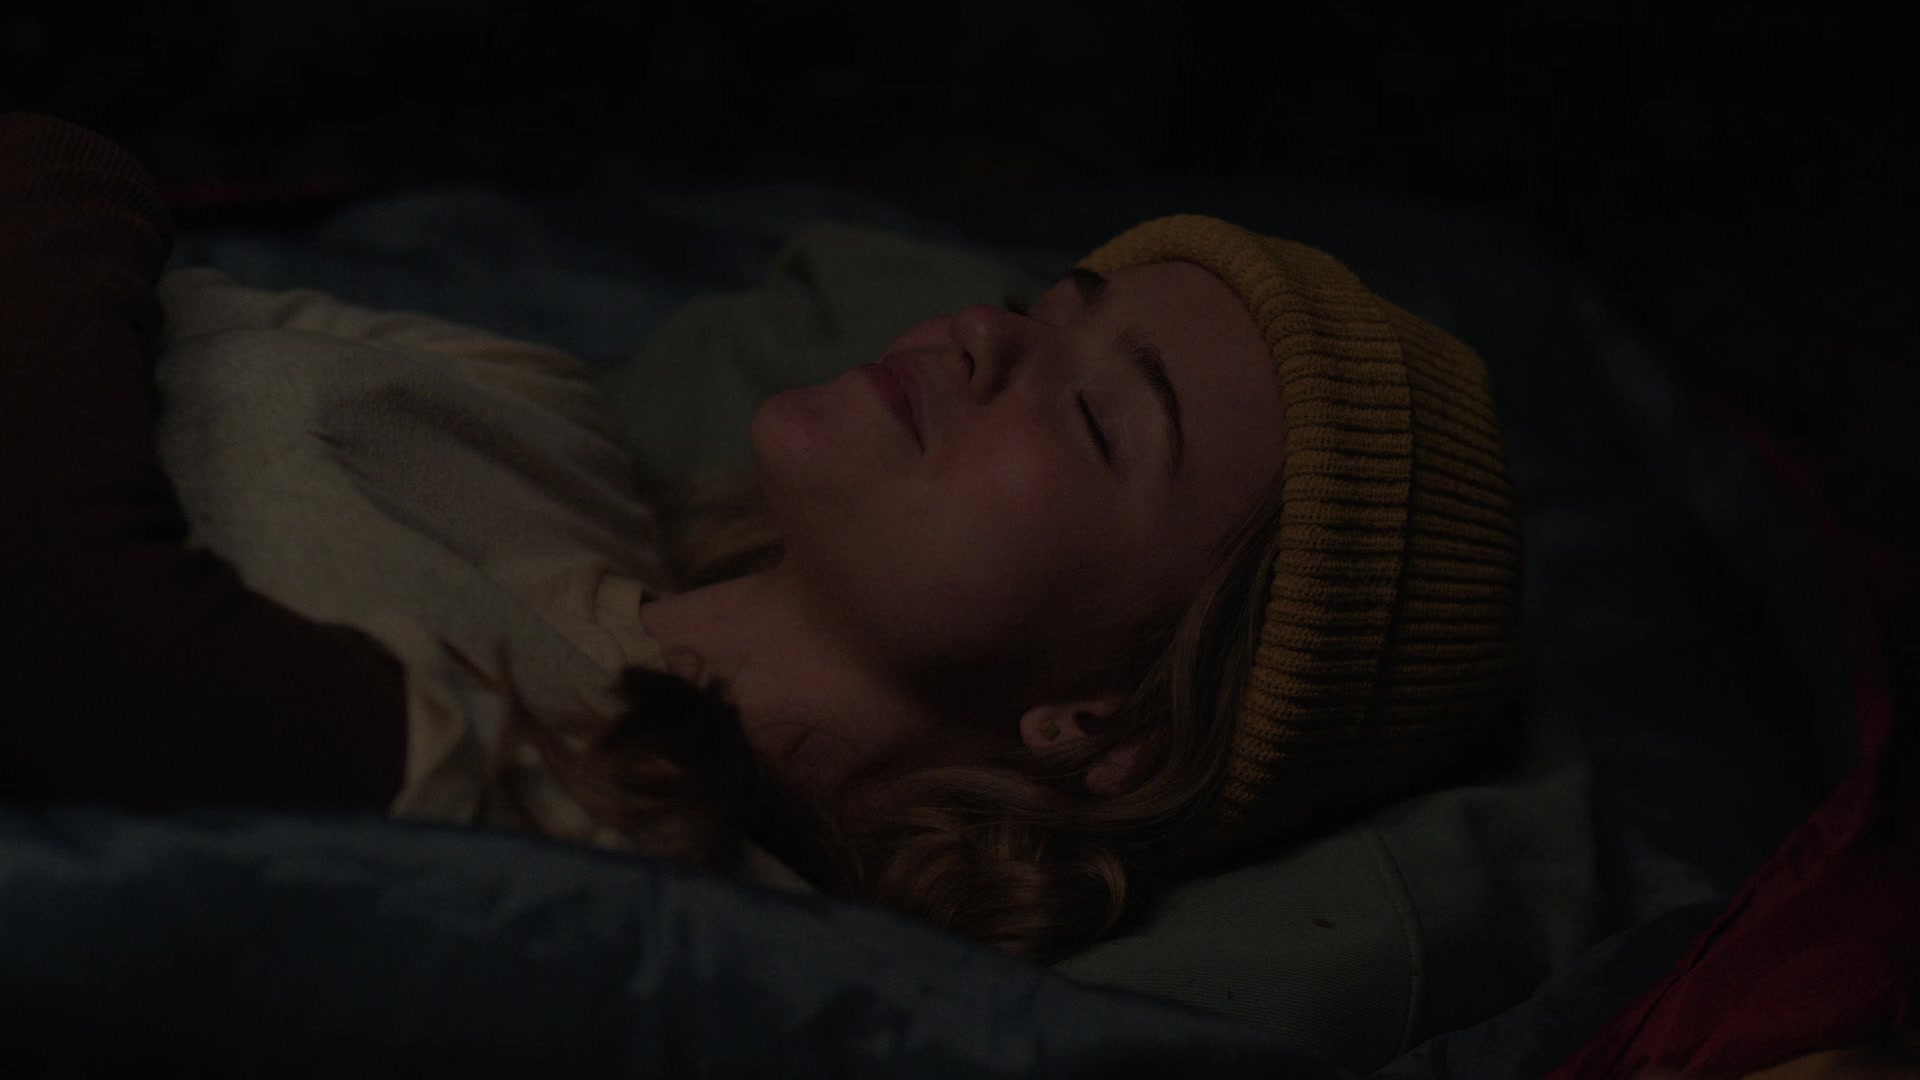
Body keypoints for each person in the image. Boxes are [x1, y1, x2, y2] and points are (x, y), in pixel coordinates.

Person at [0, 111, 1524, 966]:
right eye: (1044, 308)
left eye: (1097, 416)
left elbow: (71, 630)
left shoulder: (631, 852)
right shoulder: (536, 420)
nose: (984, 335)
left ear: (1108, 724)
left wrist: (75, 181)